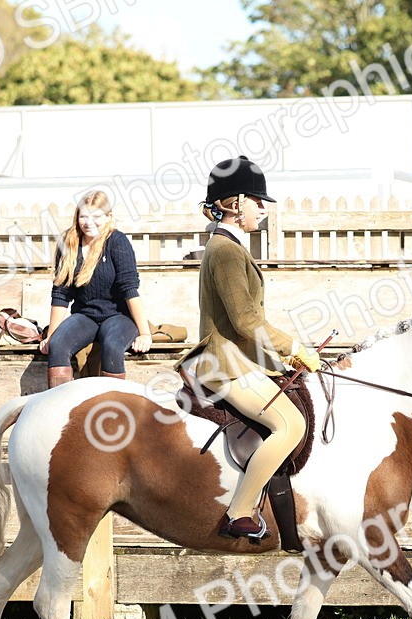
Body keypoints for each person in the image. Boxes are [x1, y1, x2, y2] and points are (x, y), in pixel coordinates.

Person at [178, 156, 321, 540]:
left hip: (241, 358)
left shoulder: (232, 247)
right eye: (258, 202)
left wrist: (283, 358)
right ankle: (239, 512)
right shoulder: (224, 251)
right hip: (223, 363)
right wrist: (293, 348)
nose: (263, 209)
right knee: (292, 424)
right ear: (236, 202)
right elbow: (244, 321)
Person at [39, 191, 152, 387]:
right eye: (83, 216)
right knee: (57, 345)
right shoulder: (68, 242)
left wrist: (145, 334)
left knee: (112, 345)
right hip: (85, 316)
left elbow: (130, 290)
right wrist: (51, 335)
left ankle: (113, 407)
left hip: (118, 316)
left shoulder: (117, 242)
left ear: (108, 217)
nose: (89, 222)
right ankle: (60, 405)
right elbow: (61, 293)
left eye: (96, 216)